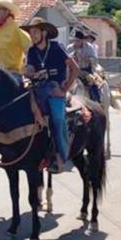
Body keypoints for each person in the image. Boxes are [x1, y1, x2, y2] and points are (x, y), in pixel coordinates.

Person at [22, 18, 79, 174]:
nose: (32, 35)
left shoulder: (57, 48)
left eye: (35, 32)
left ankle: (62, 155)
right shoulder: (32, 51)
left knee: (58, 119)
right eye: (30, 32)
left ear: (44, 33)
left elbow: (75, 69)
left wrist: (65, 88)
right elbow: (29, 68)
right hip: (36, 88)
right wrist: (30, 72)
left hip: (55, 90)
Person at [67, 29, 101, 102]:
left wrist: (85, 58)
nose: (75, 42)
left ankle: (97, 100)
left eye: (77, 40)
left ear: (82, 40)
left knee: (92, 82)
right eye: (74, 40)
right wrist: (72, 57)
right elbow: (65, 59)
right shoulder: (70, 47)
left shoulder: (89, 47)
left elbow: (95, 60)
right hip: (72, 70)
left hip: (85, 70)